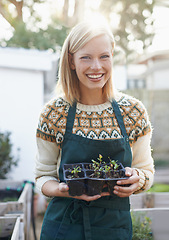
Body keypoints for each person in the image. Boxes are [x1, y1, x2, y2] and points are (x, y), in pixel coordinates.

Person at [35, 20, 154, 240]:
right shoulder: (54, 113)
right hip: (63, 227)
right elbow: (42, 177)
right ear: (71, 61)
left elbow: (146, 170)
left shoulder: (133, 112)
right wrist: (63, 189)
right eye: (86, 57)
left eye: (104, 56)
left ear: (112, 56)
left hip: (113, 229)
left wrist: (137, 179)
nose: (96, 66)